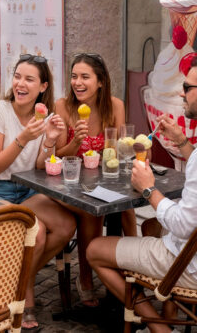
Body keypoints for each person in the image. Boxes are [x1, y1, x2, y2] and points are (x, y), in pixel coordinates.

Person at [87, 55, 197, 332]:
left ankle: (159, 326)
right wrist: (183, 143)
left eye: (187, 88)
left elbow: (183, 226)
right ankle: (164, 307)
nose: (181, 93)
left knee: (94, 249)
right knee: (150, 226)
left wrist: (149, 189)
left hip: (196, 267)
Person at [0, 54, 76, 331]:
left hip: (26, 189)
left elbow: (42, 166)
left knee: (67, 225)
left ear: (42, 86)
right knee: (37, 232)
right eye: (18, 76)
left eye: (29, 79)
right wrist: (23, 138)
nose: (20, 83)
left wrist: (50, 141)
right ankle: (25, 294)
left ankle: (20, 280)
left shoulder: (44, 116)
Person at [54, 52, 132, 307]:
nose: (77, 82)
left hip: (104, 180)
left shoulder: (115, 106)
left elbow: (121, 150)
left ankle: (129, 269)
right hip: (69, 184)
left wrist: (134, 147)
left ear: (100, 82)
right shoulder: (63, 106)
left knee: (127, 208)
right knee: (92, 212)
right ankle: (85, 278)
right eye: (74, 76)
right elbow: (56, 155)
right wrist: (75, 141)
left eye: (85, 77)